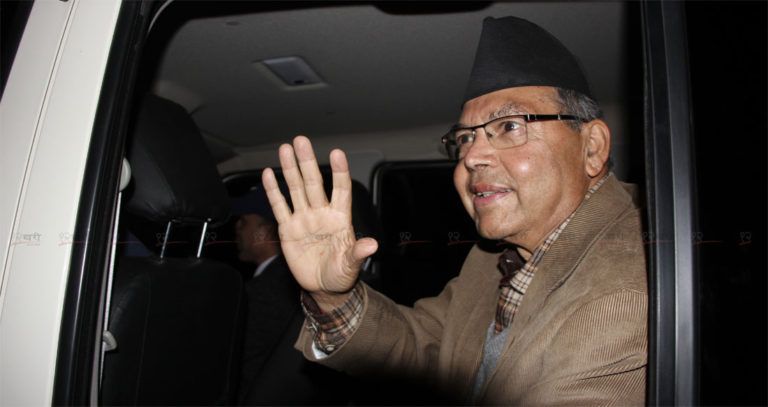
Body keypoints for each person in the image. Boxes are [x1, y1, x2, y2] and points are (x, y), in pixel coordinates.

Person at [261, 16, 647, 405]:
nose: (471, 156)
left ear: (592, 147)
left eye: (510, 126)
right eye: (464, 138)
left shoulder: (628, 285)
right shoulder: (493, 257)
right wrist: (331, 297)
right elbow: (425, 348)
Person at [232, 186, 342, 405]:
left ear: (264, 233)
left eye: (243, 222)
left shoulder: (259, 293)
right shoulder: (296, 282)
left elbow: (242, 368)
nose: (236, 228)